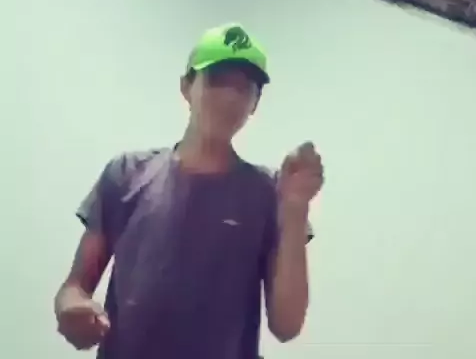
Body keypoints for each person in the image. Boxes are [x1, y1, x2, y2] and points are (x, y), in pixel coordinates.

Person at [54, 23, 324, 359]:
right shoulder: (126, 173)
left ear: (255, 103)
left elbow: (287, 326)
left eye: (244, 88)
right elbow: (74, 287)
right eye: (217, 81)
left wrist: (296, 209)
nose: (230, 97)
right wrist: (72, 309)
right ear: (186, 86)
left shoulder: (270, 193)